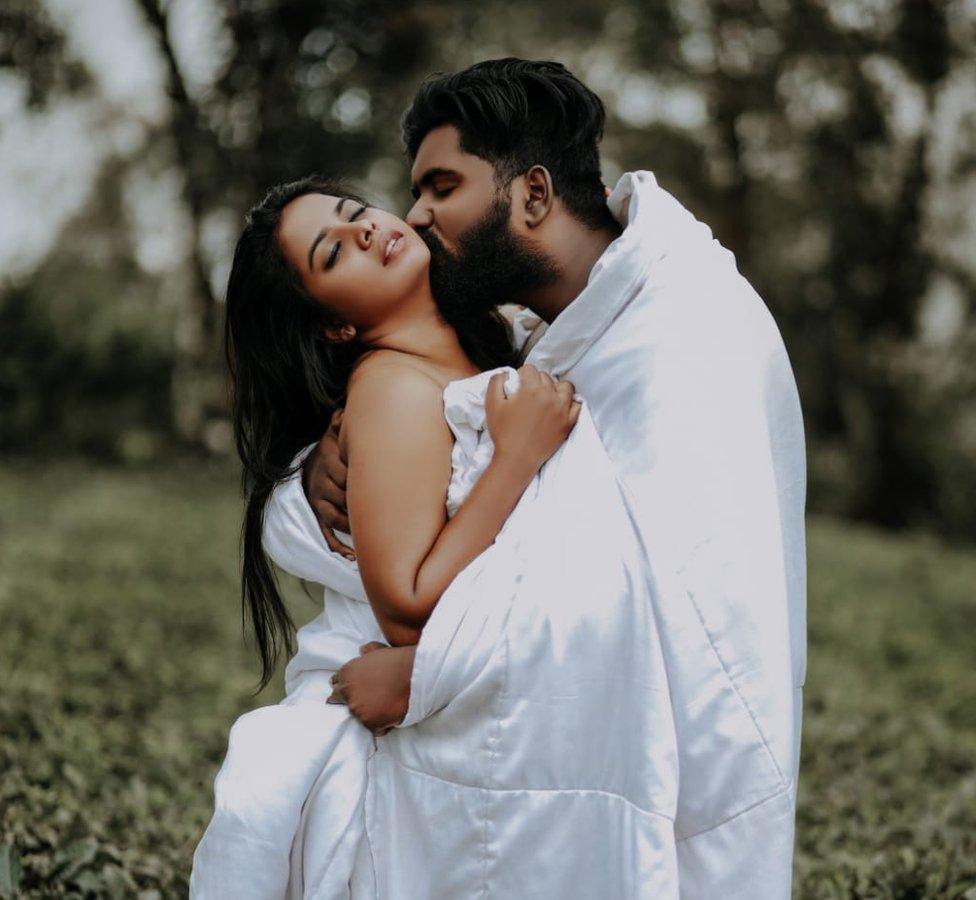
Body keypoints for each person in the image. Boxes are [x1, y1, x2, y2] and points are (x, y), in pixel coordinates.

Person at [266, 59, 807, 898]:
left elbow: (676, 610)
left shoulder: (684, 335)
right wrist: (321, 472)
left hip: (694, 770)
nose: (412, 215)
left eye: (442, 186)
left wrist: (428, 673)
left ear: (533, 195)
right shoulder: (544, 326)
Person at [190, 173, 678, 896]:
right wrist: (516, 458)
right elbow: (410, 605)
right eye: (335, 252)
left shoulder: (493, 335)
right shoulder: (391, 388)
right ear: (334, 326)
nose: (365, 231)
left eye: (357, 213)